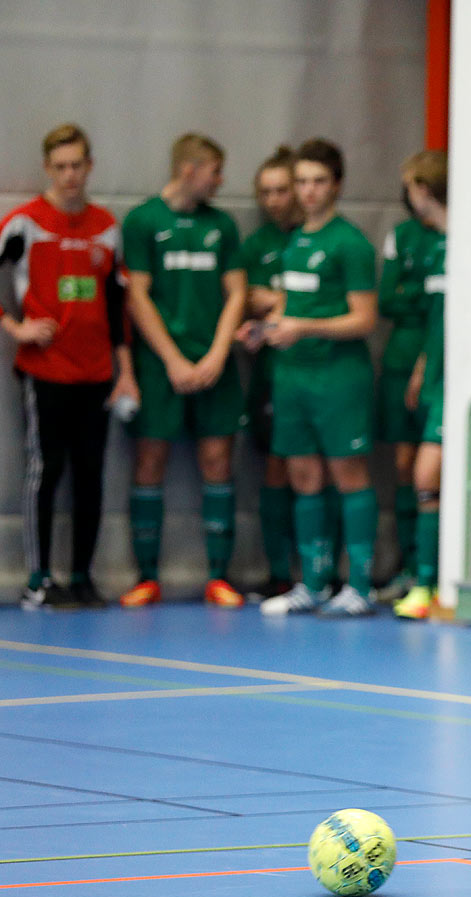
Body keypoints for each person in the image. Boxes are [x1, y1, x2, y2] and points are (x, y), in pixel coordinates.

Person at [1, 123, 136, 609]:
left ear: (90, 166)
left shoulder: (105, 227)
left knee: (90, 473)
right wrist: (16, 328)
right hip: (45, 371)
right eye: (60, 167)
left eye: (77, 165)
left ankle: (81, 575)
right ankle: (38, 579)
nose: (69, 174)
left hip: (97, 372)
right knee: (45, 468)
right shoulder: (24, 224)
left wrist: (126, 371)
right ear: (48, 169)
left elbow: (118, 304)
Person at [251, 138, 380, 617]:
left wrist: (303, 327)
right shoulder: (293, 241)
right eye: (301, 181)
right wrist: (264, 328)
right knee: (302, 474)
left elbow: (364, 318)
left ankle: (362, 587)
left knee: (349, 473)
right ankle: (313, 584)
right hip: (292, 376)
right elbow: (290, 306)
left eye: (317, 181)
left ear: (337, 185)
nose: (307, 191)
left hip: (338, 377)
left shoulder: (351, 244)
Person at [118, 133, 246, 608]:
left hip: (214, 365)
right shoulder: (143, 221)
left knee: (218, 461)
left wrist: (216, 354)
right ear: (190, 169)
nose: (220, 179)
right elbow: (137, 296)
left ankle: (219, 576)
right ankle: (147, 577)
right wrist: (172, 359)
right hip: (159, 367)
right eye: (215, 170)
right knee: (149, 461)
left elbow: (236, 292)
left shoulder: (223, 225)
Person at [235, 146, 303, 601]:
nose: (274, 200)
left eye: (282, 190)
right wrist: (272, 302)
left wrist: (278, 302)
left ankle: (322, 571)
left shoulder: (319, 238)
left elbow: (312, 304)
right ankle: (281, 571)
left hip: (318, 371)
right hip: (270, 373)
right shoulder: (255, 246)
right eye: (266, 192)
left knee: (321, 470)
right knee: (276, 467)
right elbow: (243, 299)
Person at [373, 158, 440, 602]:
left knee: (430, 470)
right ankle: (407, 565)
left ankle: (429, 573)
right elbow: (388, 300)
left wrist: (413, 296)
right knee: (402, 466)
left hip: (435, 357)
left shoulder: (451, 235)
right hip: (401, 360)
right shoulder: (401, 236)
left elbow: (415, 298)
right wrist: (415, 297)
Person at [391, 151, 447, 621]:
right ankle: (422, 580)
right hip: (432, 376)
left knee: (426, 475)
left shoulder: (463, 244)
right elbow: (436, 321)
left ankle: (429, 583)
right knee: (421, 476)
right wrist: (420, 368)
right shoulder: (432, 247)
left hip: (456, 383)